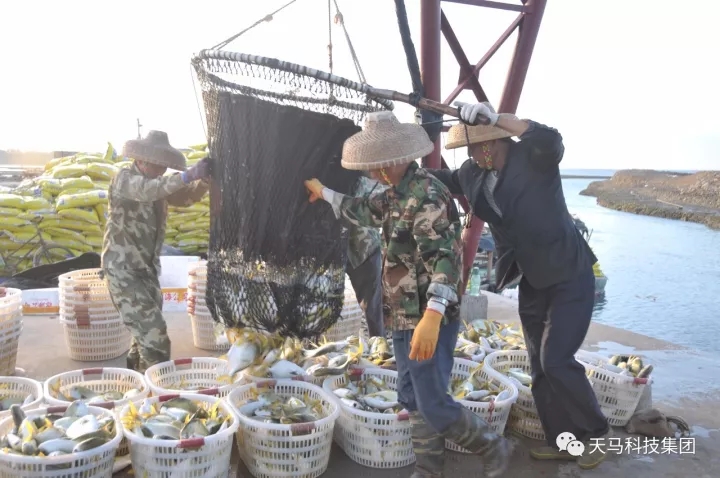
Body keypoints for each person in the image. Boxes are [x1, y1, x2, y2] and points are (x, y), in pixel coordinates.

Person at [304, 111, 511, 478]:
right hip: (401, 314)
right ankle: (429, 468)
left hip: (429, 318)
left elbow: (446, 259)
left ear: (392, 162)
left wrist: (432, 316)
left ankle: (494, 446)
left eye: (374, 166)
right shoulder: (394, 193)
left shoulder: (427, 195)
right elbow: (363, 211)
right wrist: (325, 193)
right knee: (411, 396)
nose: (370, 173)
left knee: (433, 402)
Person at [427, 102, 610, 470]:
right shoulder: (472, 173)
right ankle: (564, 441)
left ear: (494, 141)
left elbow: (550, 138)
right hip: (531, 278)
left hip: (569, 273)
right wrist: (404, 163)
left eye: (476, 147)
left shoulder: (535, 157)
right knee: (539, 366)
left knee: (556, 359)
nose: (472, 155)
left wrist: (497, 118)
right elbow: (443, 178)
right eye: (468, 149)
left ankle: (595, 433)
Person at [102, 130, 211, 373]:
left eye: (164, 167)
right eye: (158, 165)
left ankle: (137, 378)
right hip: (123, 270)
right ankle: (156, 387)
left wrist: (203, 181)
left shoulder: (158, 184)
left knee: (143, 336)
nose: (162, 171)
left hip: (147, 269)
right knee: (155, 337)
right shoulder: (125, 179)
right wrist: (187, 175)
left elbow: (185, 198)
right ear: (142, 161)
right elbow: (146, 190)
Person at [344, 175, 386, 338]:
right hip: (338, 252)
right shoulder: (324, 184)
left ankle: (379, 344)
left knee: (372, 307)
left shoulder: (367, 184)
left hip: (365, 252)